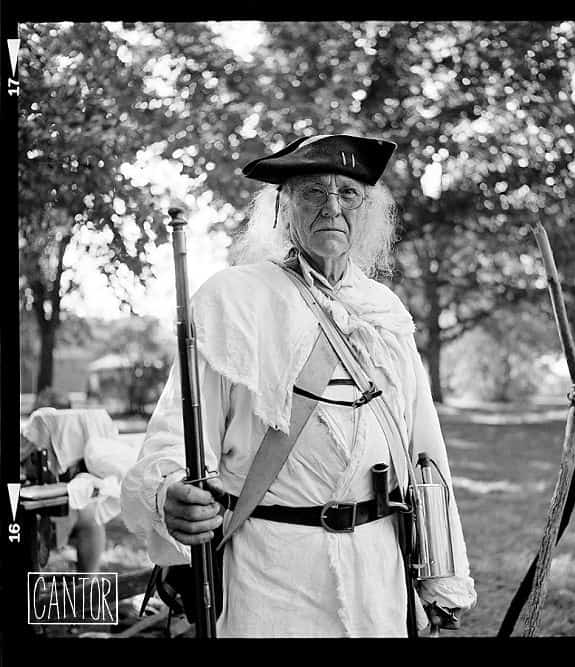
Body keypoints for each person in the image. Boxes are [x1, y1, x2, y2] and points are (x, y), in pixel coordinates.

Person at [121, 133, 477, 638]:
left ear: (368, 214)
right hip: (271, 574)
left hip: (379, 572)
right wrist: (169, 491)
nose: (332, 206)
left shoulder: (384, 309)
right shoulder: (232, 299)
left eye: (348, 194)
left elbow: (425, 451)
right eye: (313, 191)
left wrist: (443, 575)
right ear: (282, 210)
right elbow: (176, 436)